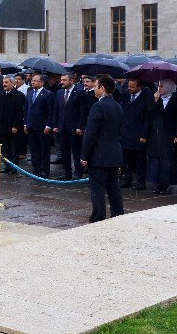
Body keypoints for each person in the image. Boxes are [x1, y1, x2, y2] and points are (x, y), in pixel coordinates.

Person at [81, 75, 124, 222]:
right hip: (114, 153)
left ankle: (98, 218)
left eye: (96, 86)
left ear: (103, 88)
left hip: (99, 155)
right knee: (114, 188)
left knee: (98, 190)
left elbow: (90, 133)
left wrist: (84, 156)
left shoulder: (98, 106)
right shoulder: (117, 106)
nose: (94, 89)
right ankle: (118, 215)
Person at [145, 80, 177, 195]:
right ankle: (159, 183)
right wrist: (155, 100)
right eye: (158, 86)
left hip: (170, 134)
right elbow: (150, 114)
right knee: (157, 159)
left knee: (168, 161)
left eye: (162, 86)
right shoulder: (157, 98)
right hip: (157, 134)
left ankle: (167, 184)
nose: (159, 89)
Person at [52, 73, 85, 181]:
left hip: (74, 128)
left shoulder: (80, 92)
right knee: (64, 151)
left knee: (76, 151)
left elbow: (82, 111)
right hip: (62, 127)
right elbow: (56, 110)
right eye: (61, 80)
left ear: (71, 81)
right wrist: (55, 125)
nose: (62, 82)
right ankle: (67, 172)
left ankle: (78, 172)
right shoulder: (59, 92)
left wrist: (80, 126)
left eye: (64, 80)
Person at [119, 78, 150, 190]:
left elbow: (147, 118)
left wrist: (144, 135)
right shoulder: (125, 96)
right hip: (126, 132)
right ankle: (127, 180)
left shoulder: (146, 97)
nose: (129, 88)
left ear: (139, 87)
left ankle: (141, 182)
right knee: (126, 159)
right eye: (129, 86)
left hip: (139, 134)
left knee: (140, 160)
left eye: (132, 87)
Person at [23, 73, 55, 178]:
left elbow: (50, 112)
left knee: (44, 150)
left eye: (35, 80)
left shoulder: (48, 94)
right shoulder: (29, 93)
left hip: (42, 127)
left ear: (41, 82)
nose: (32, 82)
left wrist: (48, 126)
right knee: (34, 149)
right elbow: (27, 110)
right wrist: (25, 124)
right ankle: (36, 169)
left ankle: (44, 170)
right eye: (32, 80)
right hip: (31, 126)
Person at [0, 75, 25, 173]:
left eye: (6, 82)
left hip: (13, 127)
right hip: (3, 127)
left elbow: (19, 112)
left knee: (14, 149)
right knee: (5, 149)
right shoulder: (1, 95)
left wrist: (15, 125)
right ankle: (7, 166)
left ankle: (14, 168)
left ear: (13, 83)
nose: (4, 84)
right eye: (3, 82)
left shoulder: (18, 95)